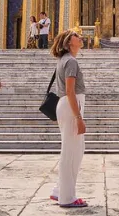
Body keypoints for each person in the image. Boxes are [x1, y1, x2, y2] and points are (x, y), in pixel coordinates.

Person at [50, 29, 88, 208]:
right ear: (68, 42)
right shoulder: (70, 61)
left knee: (74, 150)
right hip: (71, 105)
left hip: (66, 105)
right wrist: (79, 117)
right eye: (76, 36)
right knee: (71, 153)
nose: (80, 38)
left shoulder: (63, 60)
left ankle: (59, 190)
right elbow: (70, 91)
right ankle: (67, 197)